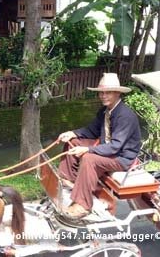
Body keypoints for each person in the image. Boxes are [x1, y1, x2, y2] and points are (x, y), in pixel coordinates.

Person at [57, 73, 141, 220]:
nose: (103, 96)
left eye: (107, 92)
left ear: (117, 93)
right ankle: (68, 180)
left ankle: (83, 205)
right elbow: (91, 130)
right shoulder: (105, 111)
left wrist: (88, 149)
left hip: (121, 158)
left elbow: (115, 147)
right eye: (101, 93)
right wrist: (72, 133)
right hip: (108, 149)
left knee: (89, 159)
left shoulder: (125, 115)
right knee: (74, 142)